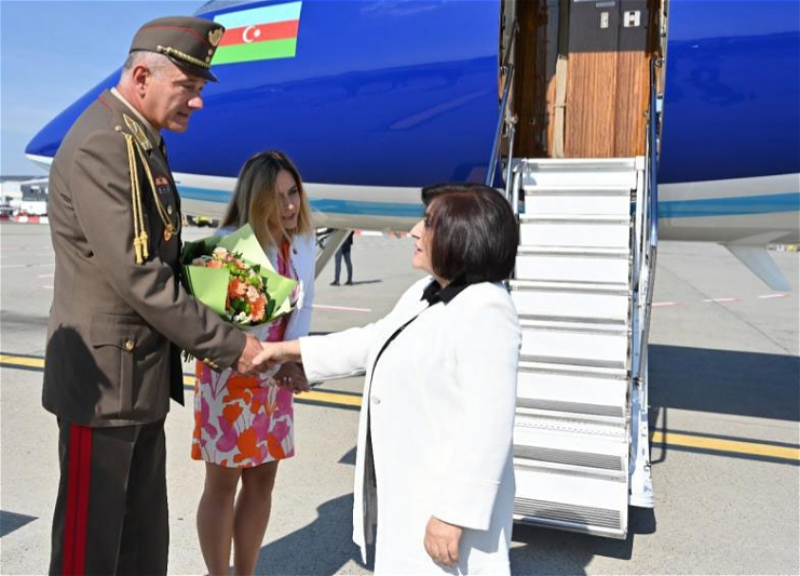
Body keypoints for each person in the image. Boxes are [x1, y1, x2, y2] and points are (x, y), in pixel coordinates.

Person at [42, 17, 270, 576]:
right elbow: (139, 275)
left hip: (136, 379)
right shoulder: (103, 143)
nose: (198, 101)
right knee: (90, 552)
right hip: (102, 388)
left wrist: (233, 280)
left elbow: (161, 252)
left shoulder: (140, 139)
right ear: (143, 76)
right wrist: (232, 345)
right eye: (187, 87)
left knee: (141, 545)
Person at [256, 183, 521, 575]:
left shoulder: (487, 311)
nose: (414, 231)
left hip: (444, 510)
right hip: (412, 497)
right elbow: (374, 339)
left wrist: (454, 514)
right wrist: (289, 351)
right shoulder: (426, 292)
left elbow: (489, 427)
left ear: (463, 236)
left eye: (428, 223)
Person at [192, 150, 316, 576]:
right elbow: (210, 323)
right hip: (231, 377)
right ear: (255, 198)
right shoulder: (228, 245)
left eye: (293, 193)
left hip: (275, 378)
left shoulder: (298, 244)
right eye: (277, 197)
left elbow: (303, 309)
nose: (289, 205)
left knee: (263, 482)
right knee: (222, 485)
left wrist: (295, 360)